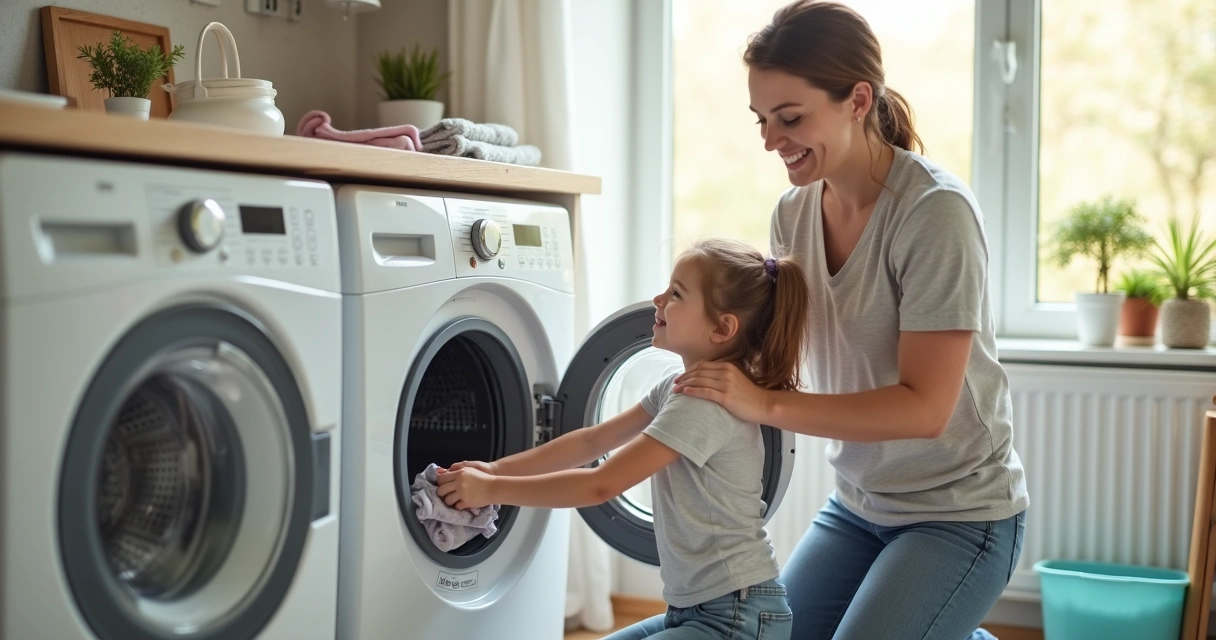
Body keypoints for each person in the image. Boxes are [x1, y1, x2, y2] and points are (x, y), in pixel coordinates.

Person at [672, 3, 1029, 639]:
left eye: (791, 117)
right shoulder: (792, 215)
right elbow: (769, 357)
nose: (769, 139)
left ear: (857, 99)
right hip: (858, 506)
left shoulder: (933, 214)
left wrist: (765, 405)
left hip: (959, 512)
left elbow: (925, 410)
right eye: (761, 119)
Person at [437, 239, 810, 640]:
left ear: (722, 328)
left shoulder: (704, 404)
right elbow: (590, 443)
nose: (659, 298)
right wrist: (493, 470)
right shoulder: (677, 386)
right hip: (702, 609)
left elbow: (602, 484)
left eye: (676, 293)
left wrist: (492, 489)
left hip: (736, 615)